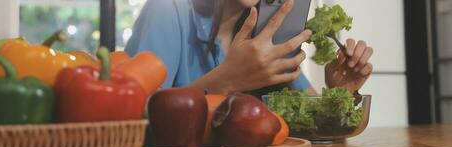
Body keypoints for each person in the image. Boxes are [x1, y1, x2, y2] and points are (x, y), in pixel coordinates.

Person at [125, 0, 374, 95]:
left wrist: (340, 92)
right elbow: (136, 118)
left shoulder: (268, 33)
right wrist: (225, 81)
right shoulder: (168, 11)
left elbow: (313, 123)